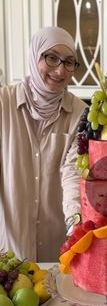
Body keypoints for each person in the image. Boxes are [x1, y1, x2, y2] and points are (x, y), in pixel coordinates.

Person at [0, 26, 88, 262]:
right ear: (34, 55)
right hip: (9, 242)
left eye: (69, 62)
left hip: (57, 241)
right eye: (51, 58)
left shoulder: (79, 113)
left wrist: (75, 223)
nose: (60, 71)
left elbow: (73, 170)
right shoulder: (3, 103)